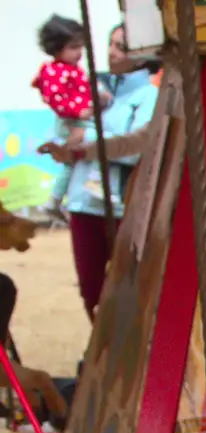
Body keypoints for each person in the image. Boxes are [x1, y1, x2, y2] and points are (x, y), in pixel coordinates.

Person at [41, 26, 158, 319]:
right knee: (90, 291)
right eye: (110, 44)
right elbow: (65, 122)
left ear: (142, 55)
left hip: (121, 206)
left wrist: (85, 145)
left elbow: (134, 150)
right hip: (83, 201)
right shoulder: (89, 83)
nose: (111, 52)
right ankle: (100, 358)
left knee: (128, 289)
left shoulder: (148, 95)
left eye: (121, 47)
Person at [34, 16, 107, 216]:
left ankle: (55, 199)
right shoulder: (54, 72)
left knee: (71, 163)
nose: (79, 52)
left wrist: (97, 96)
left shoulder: (71, 70)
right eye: (73, 47)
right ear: (57, 48)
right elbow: (55, 98)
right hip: (71, 121)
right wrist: (79, 112)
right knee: (100, 142)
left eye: (80, 47)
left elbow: (82, 92)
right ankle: (96, 181)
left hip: (78, 119)